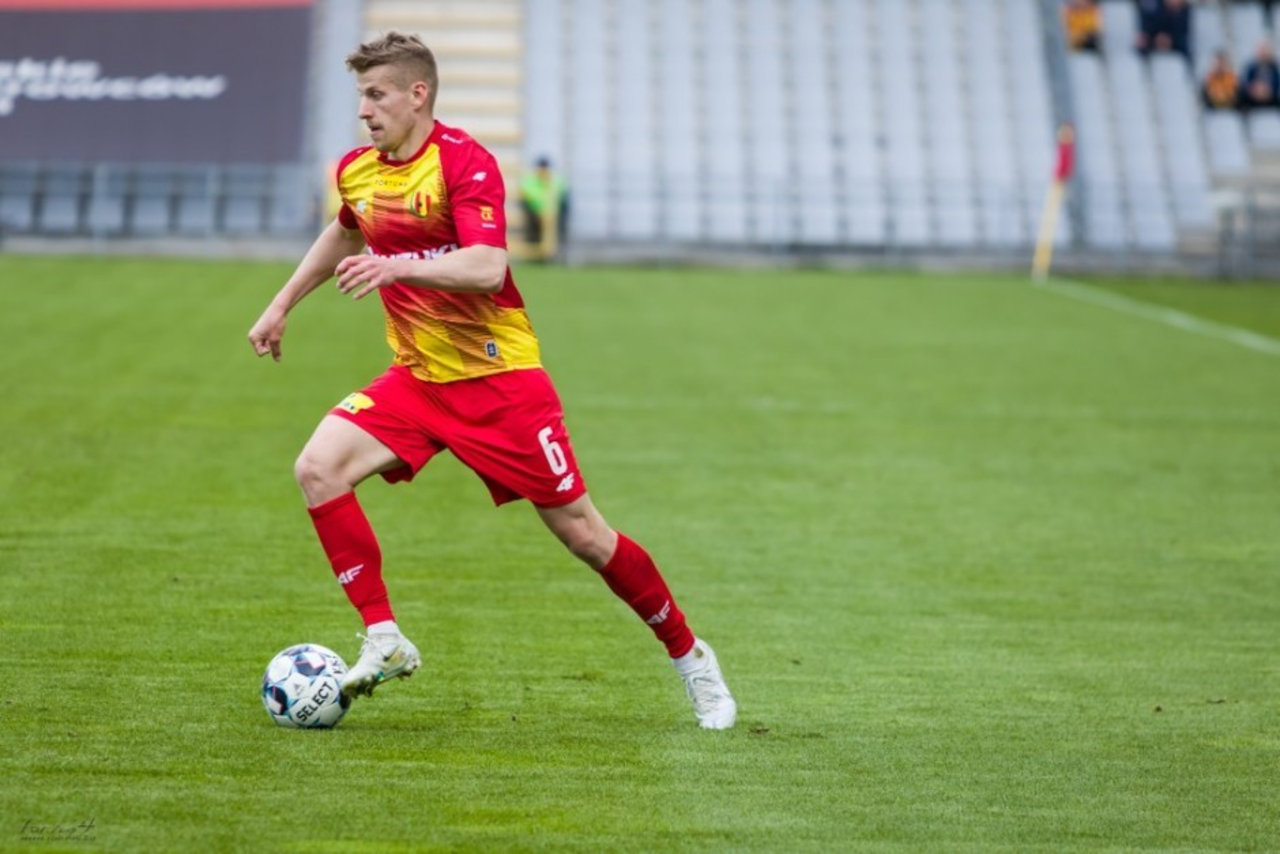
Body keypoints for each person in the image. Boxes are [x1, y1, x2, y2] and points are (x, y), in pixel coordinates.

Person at [246, 32, 736, 730]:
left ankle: (692, 658)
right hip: (418, 382)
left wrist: (397, 266)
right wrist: (280, 305)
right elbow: (346, 233)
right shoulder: (359, 170)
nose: (364, 111)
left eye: (376, 95)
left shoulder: (463, 162)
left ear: (418, 94)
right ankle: (384, 637)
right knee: (317, 468)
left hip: (501, 384)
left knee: (585, 536)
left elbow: (487, 267)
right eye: (360, 96)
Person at [518, 156, 569, 254]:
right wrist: (539, 212)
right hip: (535, 213)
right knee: (532, 222)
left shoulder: (556, 181)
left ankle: (553, 251)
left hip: (553, 213)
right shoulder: (530, 181)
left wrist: (548, 213)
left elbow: (559, 200)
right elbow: (528, 199)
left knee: (556, 221)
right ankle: (534, 252)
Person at [1239, 39, 1280, 110]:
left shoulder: (1273, 67)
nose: (1263, 53)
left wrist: (1268, 90)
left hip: (1269, 96)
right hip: (1255, 96)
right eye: (1261, 51)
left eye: (1264, 51)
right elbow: (1246, 83)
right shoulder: (1251, 67)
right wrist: (1255, 90)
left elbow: (1277, 83)